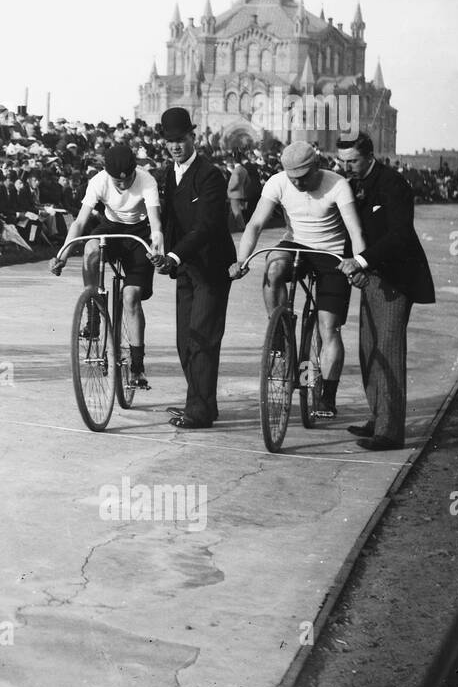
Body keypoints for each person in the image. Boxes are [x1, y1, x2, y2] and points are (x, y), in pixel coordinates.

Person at [230, 140, 368, 421]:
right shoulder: (277, 183)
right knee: (272, 268)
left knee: (328, 327)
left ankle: (327, 396)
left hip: (331, 252)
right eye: (293, 179)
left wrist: (359, 264)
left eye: (304, 178)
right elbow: (255, 224)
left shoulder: (337, 184)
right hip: (296, 245)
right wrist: (241, 260)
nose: (298, 184)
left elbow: (355, 231)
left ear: (317, 167)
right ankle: (281, 329)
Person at [336, 133, 435, 450]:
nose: (347, 167)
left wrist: (361, 261)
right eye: (343, 162)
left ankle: (390, 432)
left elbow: (400, 235)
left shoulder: (393, 184)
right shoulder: (352, 185)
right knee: (369, 349)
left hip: (396, 278)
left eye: (352, 161)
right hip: (369, 276)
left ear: (368, 155)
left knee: (388, 350)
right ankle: (378, 417)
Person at [51, 143, 163, 389]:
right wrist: (64, 254)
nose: (122, 185)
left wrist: (157, 249)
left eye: (127, 180)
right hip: (112, 226)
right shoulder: (99, 181)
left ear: (135, 171)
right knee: (90, 248)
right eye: (117, 182)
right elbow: (79, 223)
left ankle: (137, 367)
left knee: (131, 296)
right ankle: (93, 313)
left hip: (139, 232)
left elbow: (156, 224)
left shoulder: (147, 181)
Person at [151, 108, 235, 429]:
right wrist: (163, 252)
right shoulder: (166, 175)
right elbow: (168, 220)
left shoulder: (209, 175)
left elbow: (207, 226)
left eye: (181, 140)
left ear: (192, 137)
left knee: (202, 338)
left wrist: (173, 256)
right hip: (185, 267)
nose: (175, 146)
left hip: (211, 267)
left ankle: (199, 410)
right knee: (184, 340)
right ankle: (201, 402)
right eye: (169, 141)